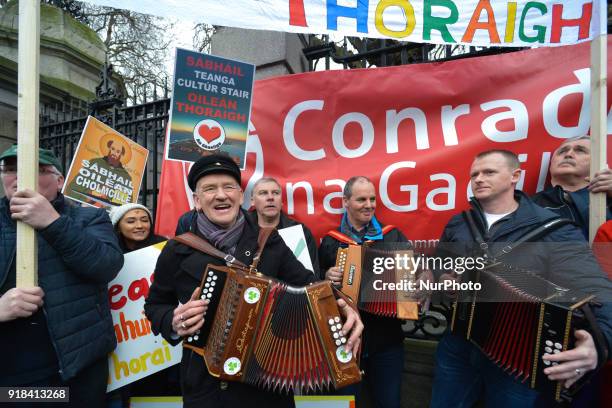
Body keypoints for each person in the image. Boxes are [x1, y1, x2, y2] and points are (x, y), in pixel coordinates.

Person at [144, 154, 363, 408]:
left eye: (228, 187)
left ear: (240, 195)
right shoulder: (177, 250)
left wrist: (345, 305)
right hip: (207, 387)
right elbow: (155, 304)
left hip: (266, 384)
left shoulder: (267, 240)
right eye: (209, 189)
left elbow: (309, 284)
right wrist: (172, 321)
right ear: (197, 200)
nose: (221, 195)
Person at [430, 149, 612, 407]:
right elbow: (440, 265)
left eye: (489, 172)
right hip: (459, 342)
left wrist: (600, 341)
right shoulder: (459, 223)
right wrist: (444, 279)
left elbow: (598, 290)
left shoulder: (554, 230)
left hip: (518, 356)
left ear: (515, 176)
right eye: (474, 174)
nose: (479, 179)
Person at [0, 145, 124, 407]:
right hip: (13, 381)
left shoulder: (89, 218)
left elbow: (106, 265)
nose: (21, 175)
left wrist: (52, 222)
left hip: (77, 373)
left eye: (37, 169)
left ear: (59, 181)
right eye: (11, 169)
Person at [318, 176, 412, 408]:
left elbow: (412, 276)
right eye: (361, 199)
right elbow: (314, 283)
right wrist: (326, 276)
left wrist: (414, 287)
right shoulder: (331, 241)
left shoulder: (393, 236)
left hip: (386, 339)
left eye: (372, 199)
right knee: (341, 404)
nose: (369, 204)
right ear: (346, 202)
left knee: (389, 402)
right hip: (343, 340)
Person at [532, 136, 612, 239]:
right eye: (562, 152)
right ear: (551, 164)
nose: (568, 155)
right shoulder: (525, 205)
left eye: (580, 151)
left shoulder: (609, 200)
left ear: (598, 162)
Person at [249, 177, 319, 275]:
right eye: (263, 193)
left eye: (275, 193)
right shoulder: (242, 229)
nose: (270, 197)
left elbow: (312, 278)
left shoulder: (300, 231)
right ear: (252, 201)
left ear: (281, 202)